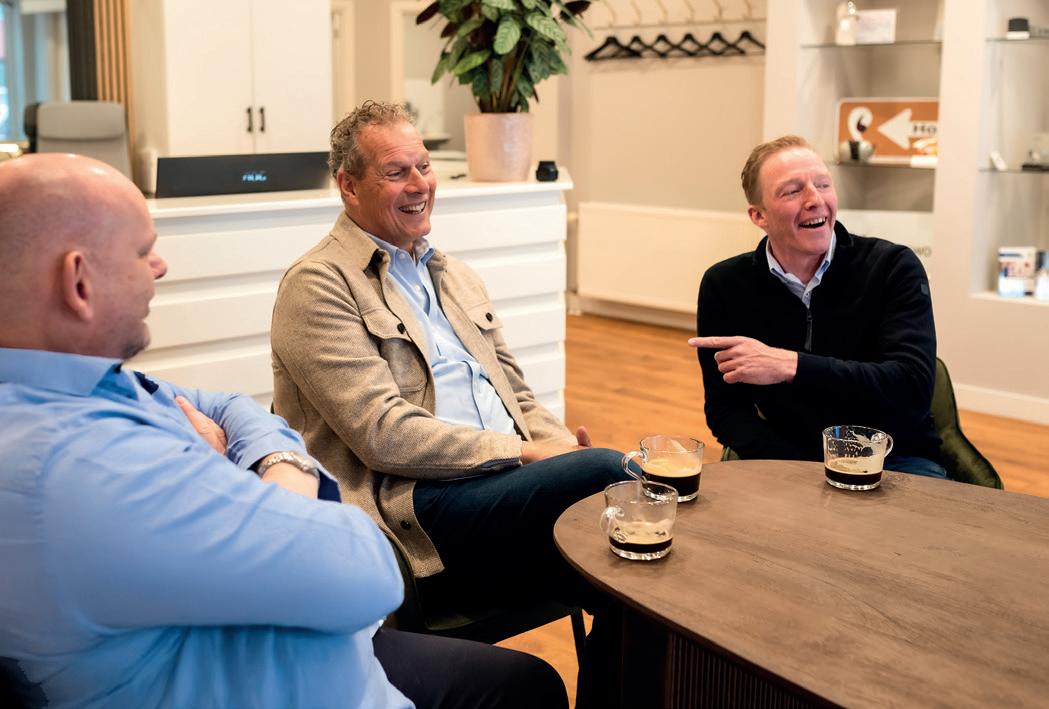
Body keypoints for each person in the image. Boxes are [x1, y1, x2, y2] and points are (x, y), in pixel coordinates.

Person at [0, 153, 569, 709]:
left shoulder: (75, 386)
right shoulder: (96, 466)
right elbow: (368, 578)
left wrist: (267, 463)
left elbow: (228, 405)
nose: (160, 266)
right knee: (591, 492)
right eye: (141, 252)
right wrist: (262, 471)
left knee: (530, 676)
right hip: (298, 669)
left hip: (293, 644)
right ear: (79, 281)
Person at [270, 102, 628, 706]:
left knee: (639, 575)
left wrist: (558, 444)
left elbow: (516, 394)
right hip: (419, 513)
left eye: (424, 166)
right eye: (396, 172)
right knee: (613, 476)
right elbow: (384, 434)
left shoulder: (454, 275)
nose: (419, 184)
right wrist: (527, 455)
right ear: (349, 186)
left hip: (498, 494)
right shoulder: (318, 285)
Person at [689, 135, 946, 478]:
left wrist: (791, 365)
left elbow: (911, 389)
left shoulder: (893, 267)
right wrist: (801, 472)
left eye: (823, 184)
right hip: (788, 460)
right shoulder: (724, 285)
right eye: (792, 191)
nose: (816, 200)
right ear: (758, 215)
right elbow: (726, 410)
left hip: (894, 457)